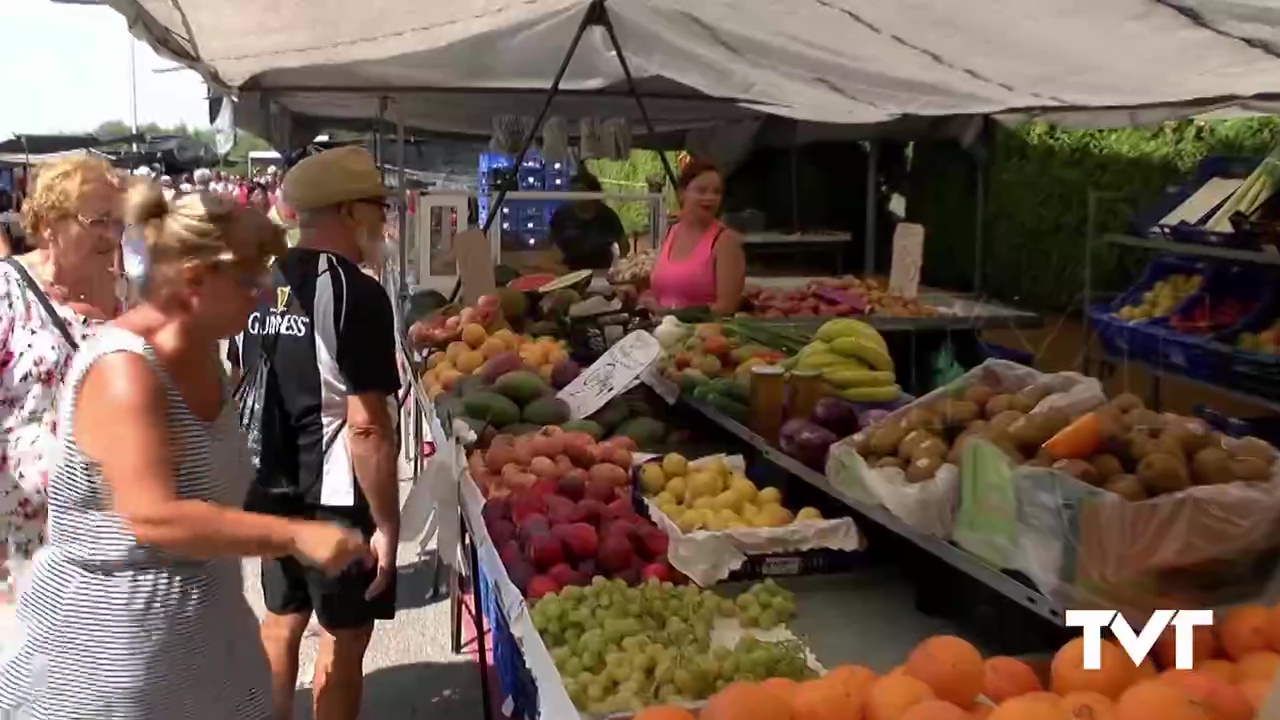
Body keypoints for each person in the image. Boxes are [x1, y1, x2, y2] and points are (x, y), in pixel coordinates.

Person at [0, 182, 371, 718]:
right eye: (250, 280)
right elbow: (155, 518)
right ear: (195, 282)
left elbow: (215, 492)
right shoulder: (124, 371)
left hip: (205, 648)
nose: (267, 292)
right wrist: (293, 533)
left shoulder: (205, 358)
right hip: (114, 665)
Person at [238, 145, 401, 720]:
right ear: (349, 212)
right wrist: (387, 521)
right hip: (334, 498)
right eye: (378, 206)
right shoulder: (357, 293)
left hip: (268, 484)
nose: (385, 219)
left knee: (281, 622)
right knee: (344, 634)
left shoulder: (261, 280)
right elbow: (366, 426)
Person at [0, 155, 125, 597]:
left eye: (117, 221)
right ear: (51, 223)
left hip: (116, 528)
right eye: (97, 220)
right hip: (32, 538)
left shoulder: (123, 292)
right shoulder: (7, 291)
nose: (112, 235)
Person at [648, 159, 746, 316]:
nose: (710, 197)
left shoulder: (725, 241)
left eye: (716, 192)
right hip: (661, 333)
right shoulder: (670, 233)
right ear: (681, 194)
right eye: (702, 191)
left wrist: (672, 314)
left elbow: (726, 308)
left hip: (701, 337)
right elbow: (663, 291)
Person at [547, 171, 628, 270]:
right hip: (569, 272)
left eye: (580, 190)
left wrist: (622, 265)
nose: (576, 195)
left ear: (593, 193)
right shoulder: (562, 215)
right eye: (573, 191)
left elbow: (623, 241)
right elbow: (551, 245)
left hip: (601, 270)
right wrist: (555, 266)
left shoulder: (607, 215)